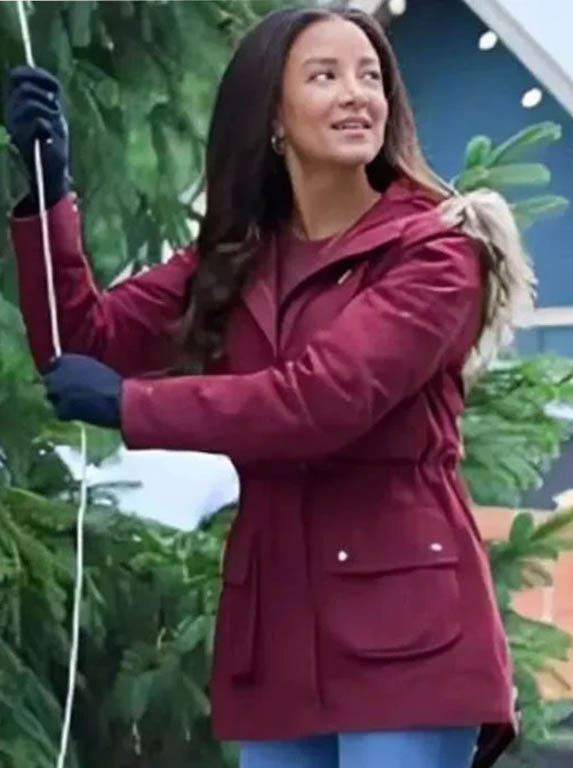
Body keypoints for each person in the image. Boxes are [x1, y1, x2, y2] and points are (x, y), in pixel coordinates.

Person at [5, 6, 532, 767]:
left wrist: (131, 406)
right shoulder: (234, 256)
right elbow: (80, 344)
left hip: (407, 634)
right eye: (325, 76)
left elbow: (320, 401)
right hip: (277, 631)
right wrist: (47, 192)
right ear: (272, 117)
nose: (357, 94)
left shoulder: (437, 253)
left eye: (371, 76)